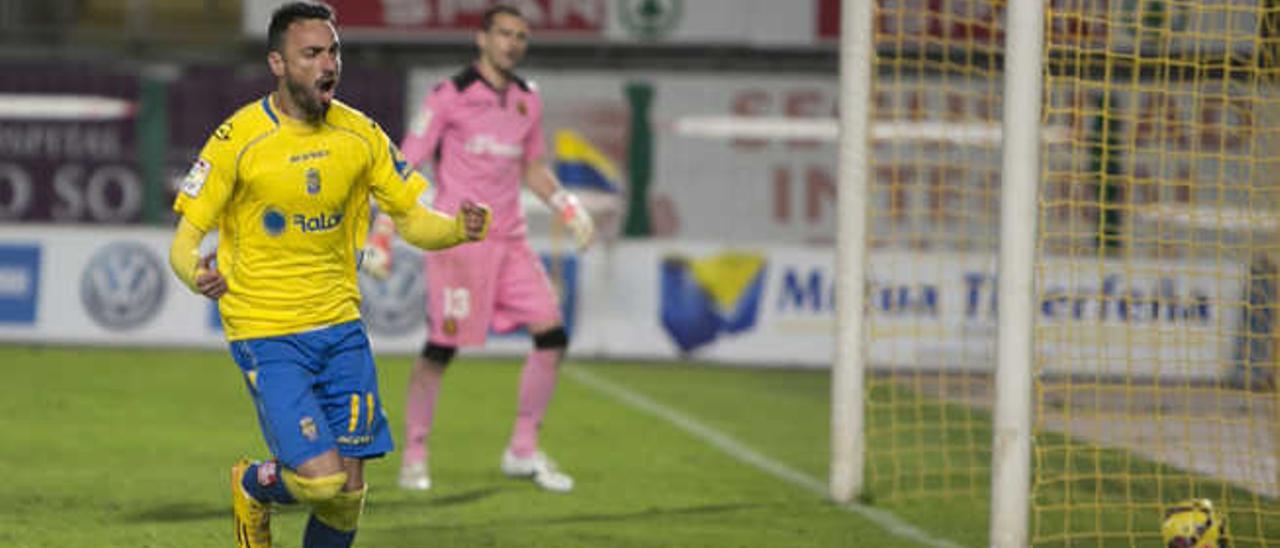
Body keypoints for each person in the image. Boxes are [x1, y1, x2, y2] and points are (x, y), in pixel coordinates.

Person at [167, 3, 490, 547]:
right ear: (278, 63)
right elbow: (184, 239)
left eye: (333, 51)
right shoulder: (238, 138)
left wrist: (458, 226)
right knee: (321, 484)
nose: (327, 63)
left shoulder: (360, 134)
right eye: (311, 53)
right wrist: (193, 273)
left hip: (340, 327)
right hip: (266, 331)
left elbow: (411, 218)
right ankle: (252, 484)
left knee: (348, 495)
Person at [391, 4, 595, 494]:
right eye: (504, 34)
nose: (512, 43)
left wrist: (567, 205)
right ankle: (415, 453)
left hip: (513, 241)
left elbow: (533, 165)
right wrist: (383, 226)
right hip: (461, 241)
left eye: (520, 36)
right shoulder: (449, 95)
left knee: (552, 335)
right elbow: (405, 161)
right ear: (482, 39)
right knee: (442, 348)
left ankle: (522, 449)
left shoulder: (527, 99)